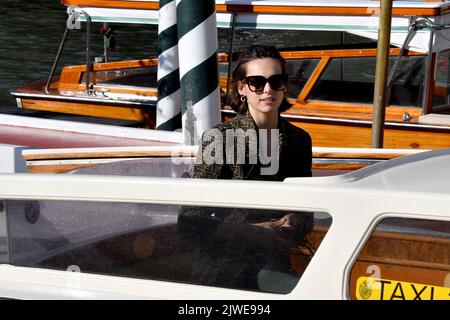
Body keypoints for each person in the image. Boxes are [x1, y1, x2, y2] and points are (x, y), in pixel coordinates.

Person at [178, 44, 313, 292]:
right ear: (241, 88)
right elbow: (190, 222)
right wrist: (253, 231)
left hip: (276, 263)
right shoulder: (220, 139)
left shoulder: (299, 140)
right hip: (226, 268)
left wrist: (295, 220)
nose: (268, 90)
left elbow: (308, 212)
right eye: (257, 83)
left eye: (276, 81)